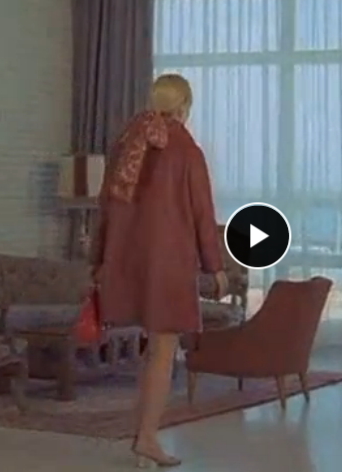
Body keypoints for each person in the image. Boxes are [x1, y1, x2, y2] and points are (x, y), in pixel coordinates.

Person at [89, 73, 228, 468]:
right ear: (183, 107)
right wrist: (215, 266)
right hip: (168, 263)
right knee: (162, 351)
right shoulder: (186, 151)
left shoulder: (125, 144)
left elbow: (105, 208)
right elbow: (202, 214)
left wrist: (98, 261)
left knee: (150, 350)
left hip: (126, 260)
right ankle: (147, 438)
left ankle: (143, 436)